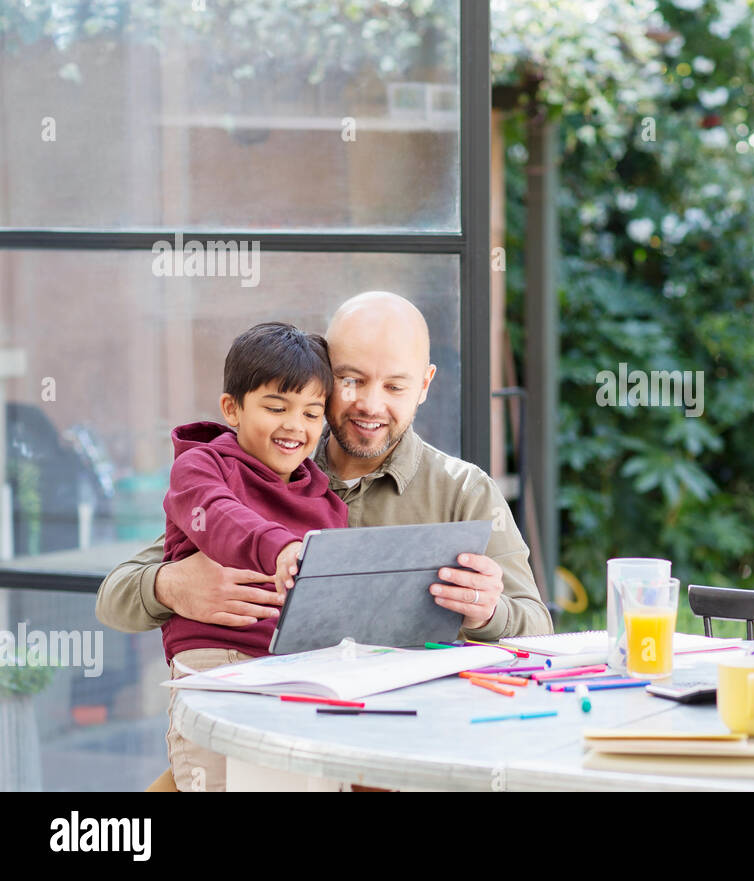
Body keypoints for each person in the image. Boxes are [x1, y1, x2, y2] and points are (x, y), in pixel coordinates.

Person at [96, 292, 553, 789]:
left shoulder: (463, 492)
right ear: (325, 376)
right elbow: (115, 597)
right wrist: (172, 586)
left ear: (424, 386)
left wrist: (488, 612)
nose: (370, 404)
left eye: (395, 385)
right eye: (351, 380)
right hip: (272, 730)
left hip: (397, 751)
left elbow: (539, 632)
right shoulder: (268, 463)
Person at [161, 322, 349, 790]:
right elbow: (219, 517)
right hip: (218, 663)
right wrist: (279, 546)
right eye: (275, 407)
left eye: (311, 413)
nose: (295, 426)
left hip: (299, 672)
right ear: (233, 409)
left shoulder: (328, 502)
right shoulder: (201, 467)